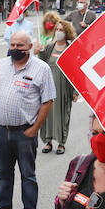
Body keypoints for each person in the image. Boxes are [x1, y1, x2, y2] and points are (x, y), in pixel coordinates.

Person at [0, 28, 55, 209]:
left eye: (20, 46)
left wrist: (35, 129)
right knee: (3, 173)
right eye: (13, 45)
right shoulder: (1, 65)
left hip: (25, 131)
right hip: (1, 130)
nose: (15, 49)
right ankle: (2, 207)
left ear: (30, 47)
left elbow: (48, 101)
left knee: (28, 174)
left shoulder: (41, 69)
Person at [37, 10, 76, 155]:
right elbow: (41, 63)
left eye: (61, 30)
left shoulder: (70, 49)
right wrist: (40, 51)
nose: (58, 32)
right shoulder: (49, 47)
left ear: (66, 32)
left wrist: (75, 92)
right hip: (48, 88)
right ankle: (48, 141)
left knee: (62, 115)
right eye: (57, 29)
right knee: (47, 114)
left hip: (64, 88)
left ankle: (61, 142)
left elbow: (75, 71)